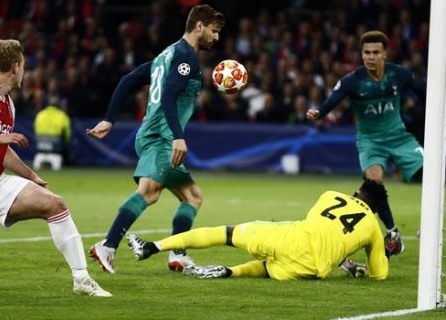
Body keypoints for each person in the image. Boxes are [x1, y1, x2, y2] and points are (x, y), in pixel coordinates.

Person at [0, 39, 111, 297]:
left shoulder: (7, 103)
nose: (24, 71)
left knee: (54, 204)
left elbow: (2, 151)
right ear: (15, 67)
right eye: (22, 66)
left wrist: (32, 176)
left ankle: (81, 279)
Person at [87, 5, 225, 273]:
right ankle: (108, 245)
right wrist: (178, 136)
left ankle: (177, 254)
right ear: (199, 26)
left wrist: (109, 118)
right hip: (161, 137)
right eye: (214, 30)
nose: (216, 37)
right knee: (149, 193)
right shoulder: (186, 58)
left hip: (153, 133)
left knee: (192, 197)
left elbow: (129, 80)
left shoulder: (168, 53)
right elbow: (169, 97)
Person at [306, 30, 426, 257]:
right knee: (374, 181)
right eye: (366, 52)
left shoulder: (398, 74)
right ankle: (393, 235)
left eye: (375, 52)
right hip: (370, 141)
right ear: (361, 54)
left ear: (384, 54)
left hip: (399, 136)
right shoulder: (353, 80)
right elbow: (332, 101)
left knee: (432, 174)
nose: (370, 57)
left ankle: (429, 225)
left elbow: (424, 92)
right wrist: (318, 112)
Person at [126, 179, 390, 281]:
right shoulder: (373, 229)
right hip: (311, 270)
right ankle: (228, 271)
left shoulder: (331, 194)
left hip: (293, 237)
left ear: (357, 192)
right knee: (266, 267)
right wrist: (376, 255)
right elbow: (379, 275)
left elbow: (323, 226)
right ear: (375, 209)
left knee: (226, 233)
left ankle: (151, 247)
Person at [33, 101, 71, 171]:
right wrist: (66, 142)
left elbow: (35, 129)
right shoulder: (62, 115)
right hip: (56, 150)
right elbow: (67, 134)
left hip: (40, 148)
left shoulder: (40, 114)